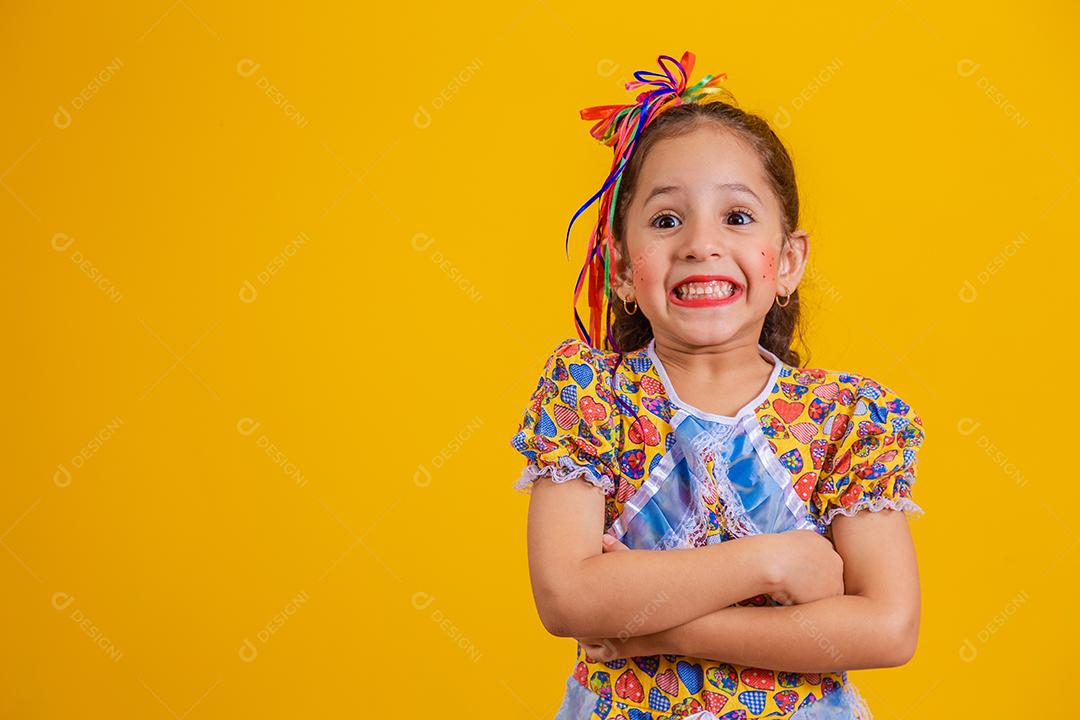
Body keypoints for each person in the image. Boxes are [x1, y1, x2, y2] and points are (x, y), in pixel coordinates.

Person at [508, 51, 926, 720]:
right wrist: (775, 562)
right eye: (667, 220)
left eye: (736, 218)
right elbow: (567, 599)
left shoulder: (847, 416)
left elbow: (886, 627)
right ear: (619, 266)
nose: (701, 243)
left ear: (788, 262)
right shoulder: (590, 397)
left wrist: (658, 626)